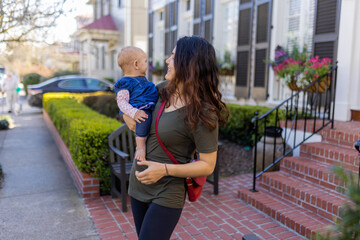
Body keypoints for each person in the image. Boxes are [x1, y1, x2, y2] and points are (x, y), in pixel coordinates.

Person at [123, 36, 229, 240]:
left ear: (188, 63)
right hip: (138, 184)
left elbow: (207, 165)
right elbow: (130, 106)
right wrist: (127, 114)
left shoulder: (203, 111)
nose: (167, 61)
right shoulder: (161, 90)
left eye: (172, 56)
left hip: (166, 191)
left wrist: (163, 169)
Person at [114, 46, 158, 161]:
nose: (147, 65)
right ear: (136, 64)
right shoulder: (125, 83)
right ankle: (140, 147)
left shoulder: (144, 80)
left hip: (148, 107)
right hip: (140, 110)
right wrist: (134, 113)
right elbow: (121, 102)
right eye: (145, 61)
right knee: (144, 119)